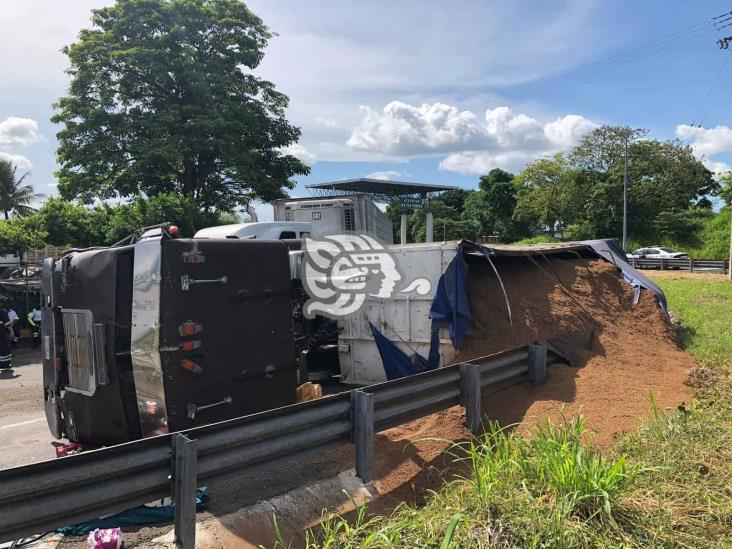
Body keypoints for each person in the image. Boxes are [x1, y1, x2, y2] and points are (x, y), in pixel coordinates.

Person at [0, 296, 13, 369]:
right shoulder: (2, 311)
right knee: (4, 347)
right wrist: (11, 331)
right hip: (1, 332)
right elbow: (7, 324)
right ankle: (5, 364)